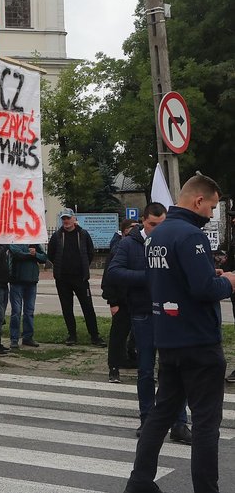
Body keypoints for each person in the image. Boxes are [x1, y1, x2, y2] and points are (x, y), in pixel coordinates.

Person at [124, 175, 235, 493]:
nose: (212, 214)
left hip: (168, 340)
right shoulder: (191, 236)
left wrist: (208, 273)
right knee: (205, 424)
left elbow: (174, 277)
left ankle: (140, 481)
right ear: (198, 201)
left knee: (161, 413)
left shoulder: (157, 236)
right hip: (199, 343)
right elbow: (204, 289)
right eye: (212, 207)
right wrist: (229, 280)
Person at [108, 202, 191, 445]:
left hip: (170, 312)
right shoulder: (128, 244)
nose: (157, 230)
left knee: (174, 369)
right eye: (152, 225)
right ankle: (148, 420)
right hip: (143, 312)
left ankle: (179, 423)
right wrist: (148, 276)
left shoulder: (172, 241)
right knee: (145, 370)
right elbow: (114, 272)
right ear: (143, 221)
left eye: (161, 225)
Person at [47, 208, 106, 347]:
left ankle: (95, 335)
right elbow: (51, 254)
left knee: (88, 307)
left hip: (81, 278)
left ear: (74, 219)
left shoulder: (83, 234)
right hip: (62, 279)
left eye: (68, 218)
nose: (66, 221)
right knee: (67, 308)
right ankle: (72, 335)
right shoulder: (57, 236)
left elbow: (90, 252)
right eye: (64, 219)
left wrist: (83, 267)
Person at [102, 218, 139, 382]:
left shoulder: (142, 247)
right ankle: (114, 368)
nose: (136, 229)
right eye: (132, 227)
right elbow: (108, 279)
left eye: (138, 227)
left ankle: (135, 361)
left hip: (139, 301)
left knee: (140, 336)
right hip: (122, 302)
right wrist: (113, 301)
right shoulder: (117, 249)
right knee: (118, 336)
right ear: (124, 231)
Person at [8, 243, 46, 349]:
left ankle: (28, 337)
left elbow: (44, 257)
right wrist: (32, 254)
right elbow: (17, 254)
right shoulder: (14, 240)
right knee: (16, 311)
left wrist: (36, 254)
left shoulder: (34, 241)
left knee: (29, 311)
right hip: (17, 280)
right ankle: (14, 339)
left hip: (32, 281)